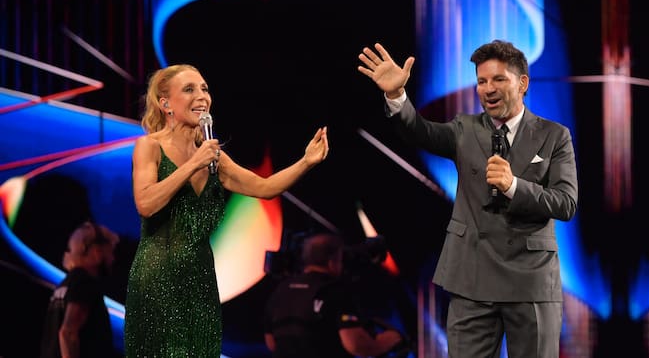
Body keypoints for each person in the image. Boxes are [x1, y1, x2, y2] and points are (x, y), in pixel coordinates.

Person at [357, 41, 578, 358]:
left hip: (531, 280)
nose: (488, 89)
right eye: (481, 81)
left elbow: (565, 203)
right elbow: (419, 131)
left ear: (522, 83)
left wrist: (514, 186)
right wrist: (396, 95)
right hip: (471, 278)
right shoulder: (465, 129)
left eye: (498, 79)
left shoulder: (554, 135)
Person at [124, 64, 329, 357]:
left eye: (204, 89)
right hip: (158, 277)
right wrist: (193, 164)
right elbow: (146, 203)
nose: (202, 96)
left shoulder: (214, 158)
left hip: (201, 280)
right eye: (189, 89)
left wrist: (306, 162)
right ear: (165, 104)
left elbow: (265, 187)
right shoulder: (149, 146)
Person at [262, 233, 405, 358]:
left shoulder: (280, 290)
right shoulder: (335, 291)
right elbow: (356, 345)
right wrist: (388, 340)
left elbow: (271, 343)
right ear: (332, 262)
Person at [40, 221, 120, 358]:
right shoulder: (85, 282)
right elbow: (68, 333)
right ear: (97, 251)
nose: (112, 259)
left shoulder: (65, 285)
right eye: (110, 252)